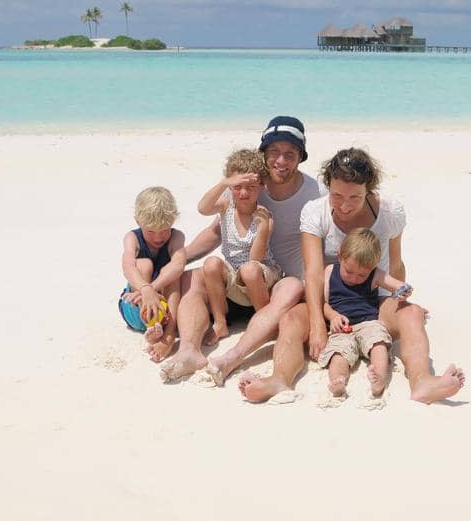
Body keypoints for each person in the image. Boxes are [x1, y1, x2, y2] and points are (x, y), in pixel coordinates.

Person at [237, 146, 465, 406]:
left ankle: (422, 381)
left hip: (373, 304)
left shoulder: (390, 211)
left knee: (411, 314)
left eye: (355, 197)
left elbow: (396, 264)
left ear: (369, 189)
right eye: (337, 196)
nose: (344, 206)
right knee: (290, 318)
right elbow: (312, 274)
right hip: (328, 304)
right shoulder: (315, 212)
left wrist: (399, 300)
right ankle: (279, 379)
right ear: (328, 188)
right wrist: (317, 327)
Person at [195, 116, 320, 386]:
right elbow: (215, 227)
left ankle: (234, 355)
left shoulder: (313, 192)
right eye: (274, 152)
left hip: (279, 281)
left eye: (290, 154)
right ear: (263, 155)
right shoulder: (246, 185)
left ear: (300, 157)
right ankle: (190, 347)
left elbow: (328, 242)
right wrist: (180, 256)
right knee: (201, 271)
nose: (281, 161)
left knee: (285, 285)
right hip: (238, 281)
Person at [320, 228, 415, 400]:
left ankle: (379, 379)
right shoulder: (329, 272)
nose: (354, 278)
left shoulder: (375, 274)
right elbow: (324, 304)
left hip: (369, 322)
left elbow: (401, 285)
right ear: (340, 255)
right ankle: (338, 381)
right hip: (342, 326)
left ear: (372, 267)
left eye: (362, 275)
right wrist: (333, 316)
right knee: (338, 354)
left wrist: (403, 291)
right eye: (349, 271)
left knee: (379, 345)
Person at [199, 149, 281, 344]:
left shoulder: (264, 216)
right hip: (234, 275)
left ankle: (265, 323)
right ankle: (220, 324)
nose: (244, 192)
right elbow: (202, 208)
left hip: (260, 275)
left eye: (251, 186)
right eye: (238, 187)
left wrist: (262, 229)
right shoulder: (226, 206)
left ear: (261, 185)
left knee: (249, 269)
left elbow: (256, 258)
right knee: (211, 263)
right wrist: (224, 183)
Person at [117, 186, 189, 365]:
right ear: (138, 221)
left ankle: (169, 334)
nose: (158, 238)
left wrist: (152, 289)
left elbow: (179, 264)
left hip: (165, 311)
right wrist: (144, 290)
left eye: (165, 230)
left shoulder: (177, 237)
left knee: (173, 271)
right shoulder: (131, 238)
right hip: (135, 307)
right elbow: (127, 266)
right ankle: (151, 325)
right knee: (143, 264)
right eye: (150, 231)